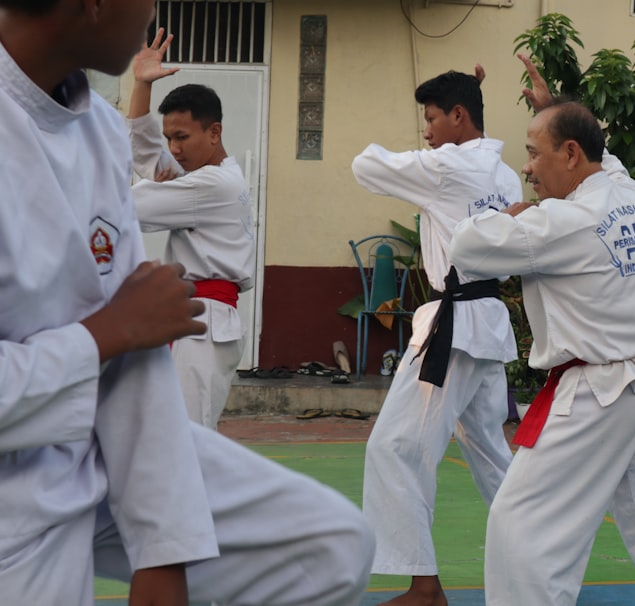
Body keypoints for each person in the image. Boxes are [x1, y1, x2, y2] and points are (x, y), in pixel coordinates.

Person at [0, 1, 373, 604]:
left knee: (328, 545)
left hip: (167, 352)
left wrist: (164, 545)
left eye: (183, 135)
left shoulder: (103, 131)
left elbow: (143, 188)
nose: (151, 7)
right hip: (20, 465)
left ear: (213, 132)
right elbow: (148, 177)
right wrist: (106, 335)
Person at [447, 54, 635, 606]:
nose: (527, 168)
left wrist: (514, 215)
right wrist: (552, 110)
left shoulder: (558, 222)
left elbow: (465, 248)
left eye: (533, 153)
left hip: (597, 394)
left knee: (522, 524)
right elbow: (604, 156)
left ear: (570, 154)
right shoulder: (629, 194)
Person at [351, 68, 520, 606]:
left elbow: (365, 166)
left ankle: (424, 587)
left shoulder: (446, 166)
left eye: (430, 118)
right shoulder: (507, 176)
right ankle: (539, 572)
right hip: (487, 323)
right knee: (494, 455)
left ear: (458, 116)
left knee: (395, 448)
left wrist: (424, 167)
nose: (426, 131)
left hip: (455, 327)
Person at [125, 29, 255, 429]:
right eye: (170, 138)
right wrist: (141, 84)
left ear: (214, 132)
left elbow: (130, 205)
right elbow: (146, 155)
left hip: (204, 323)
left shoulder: (213, 185)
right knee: (175, 436)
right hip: (196, 318)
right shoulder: (202, 177)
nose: (174, 148)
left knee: (187, 440)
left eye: (182, 137)